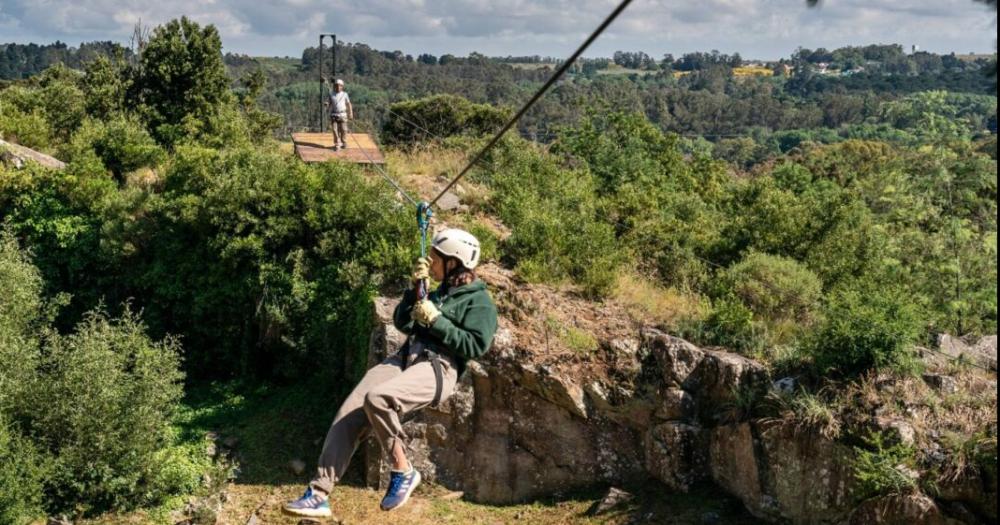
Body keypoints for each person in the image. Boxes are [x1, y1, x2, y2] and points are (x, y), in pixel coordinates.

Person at [283, 228, 498, 516]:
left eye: (435, 259)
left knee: (379, 398)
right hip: (405, 358)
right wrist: (414, 291)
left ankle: (403, 470)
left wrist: (437, 321)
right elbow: (404, 324)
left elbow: (475, 345)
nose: (429, 263)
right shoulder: (439, 293)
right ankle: (319, 493)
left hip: (439, 366)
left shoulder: (479, 302)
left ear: (454, 263)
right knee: (348, 414)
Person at [325, 78, 353, 151]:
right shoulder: (331, 94)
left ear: (342, 86)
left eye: (340, 86)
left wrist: (351, 113)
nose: (338, 87)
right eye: (336, 85)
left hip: (343, 114)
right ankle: (337, 144)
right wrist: (327, 104)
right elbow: (329, 102)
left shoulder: (345, 94)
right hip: (334, 114)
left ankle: (344, 142)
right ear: (334, 86)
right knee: (335, 130)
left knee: (344, 129)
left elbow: (348, 104)